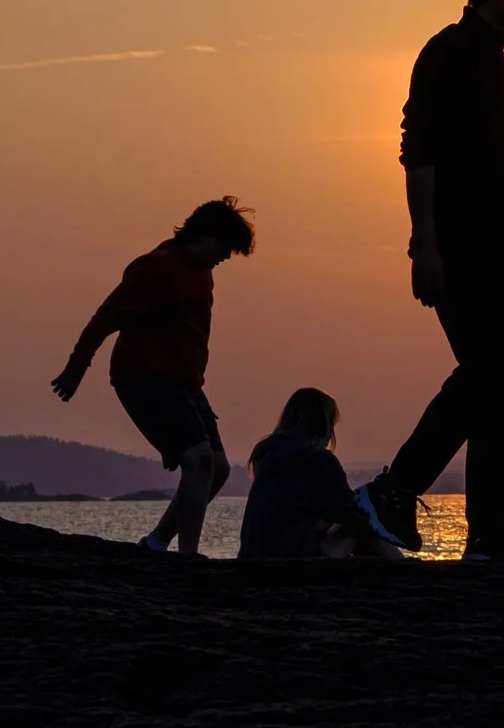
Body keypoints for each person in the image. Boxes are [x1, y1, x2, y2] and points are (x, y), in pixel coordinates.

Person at [358, 0, 504, 564]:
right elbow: (416, 155)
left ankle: (488, 530)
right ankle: (394, 491)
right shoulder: (446, 54)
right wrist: (426, 247)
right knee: (488, 379)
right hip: (459, 250)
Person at [52, 198, 256, 557]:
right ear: (205, 235)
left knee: (218, 468)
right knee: (198, 459)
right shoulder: (156, 268)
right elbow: (106, 317)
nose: (225, 257)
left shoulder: (203, 274)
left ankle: (157, 541)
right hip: (145, 374)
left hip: (186, 382)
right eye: (224, 248)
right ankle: (188, 557)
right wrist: (75, 369)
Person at [240, 387, 396, 561]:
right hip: (292, 562)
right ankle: (406, 570)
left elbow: (292, 517)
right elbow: (356, 519)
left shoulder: (268, 456)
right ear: (324, 425)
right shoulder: (319, 461)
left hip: (252, 558)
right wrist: (377, 509)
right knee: (365, 530)